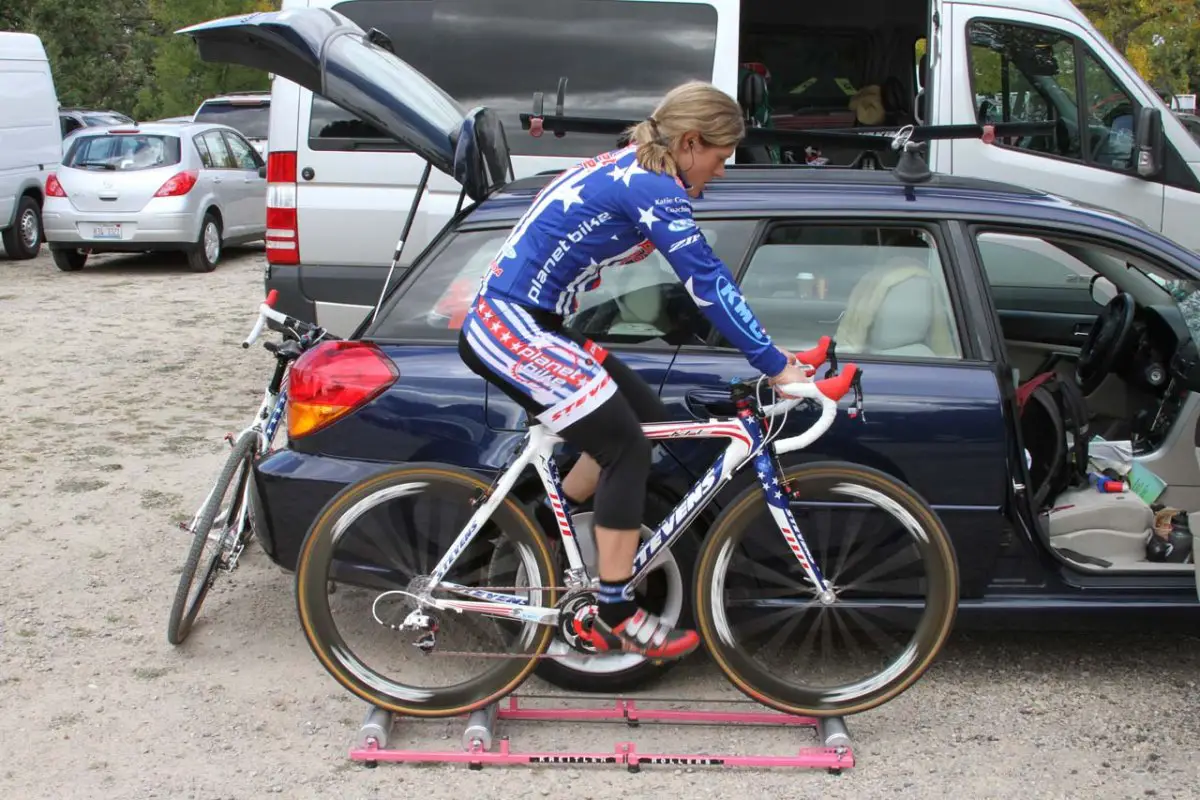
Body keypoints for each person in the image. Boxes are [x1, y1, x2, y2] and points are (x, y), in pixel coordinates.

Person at [457, 81, 809, 660]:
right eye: (720, 159)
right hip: (510, 325)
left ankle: (542, 529)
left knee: (644, 419)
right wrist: (774, 365)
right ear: (691, 142)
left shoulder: (636, 166)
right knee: (627, 448)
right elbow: (707, 281)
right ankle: (614, 610)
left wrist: (783, 359)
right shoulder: (653, 186)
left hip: (535, 321)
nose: (720, 173)